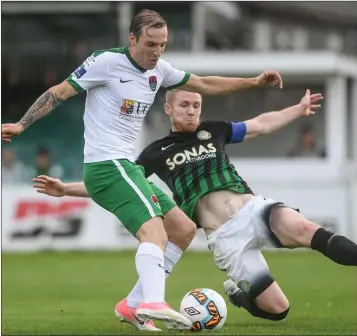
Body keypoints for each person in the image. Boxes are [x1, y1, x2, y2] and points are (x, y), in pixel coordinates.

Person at [1, 9, 284, 330]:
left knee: (182, 229)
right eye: (150, 44)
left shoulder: (159, 71)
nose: (157, 52)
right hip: (106, 165)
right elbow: (59, 92)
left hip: (124, 167)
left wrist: (253, 82)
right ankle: (153, 302)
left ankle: (133, 304)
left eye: (162, 45)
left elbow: (204, 83)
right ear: (132, 39)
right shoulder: (105, 62)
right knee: (154, 232)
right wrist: (22, 124)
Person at [33, 88, 357, 327]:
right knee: (278, 310)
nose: (192, 111)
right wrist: (66, 190)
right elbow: (118, 184)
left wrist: (297, 110)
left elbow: (260, 124)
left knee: (306, 229)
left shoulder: (213, 131)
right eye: (185, 105)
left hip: (254, 211)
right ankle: (240, 294)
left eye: (197, 105)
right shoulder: (156, 152)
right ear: (169, 109)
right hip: (224, 240)